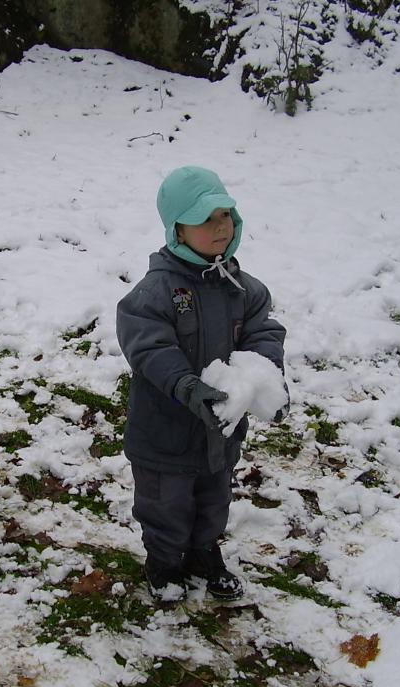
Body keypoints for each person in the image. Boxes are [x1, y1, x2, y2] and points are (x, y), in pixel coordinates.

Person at [116, 166, 287, 602]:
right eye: (205, 219)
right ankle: (164, 561)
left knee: (214, 498)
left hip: (220, 430)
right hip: (165, 433)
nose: (220, 227)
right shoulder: (156, 292)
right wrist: (186, 385)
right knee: (165, 503)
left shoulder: (243, 289)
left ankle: (203, 552)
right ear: (177, 229)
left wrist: (265, 378)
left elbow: (263, 334)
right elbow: (150, 347)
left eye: (225, 215)